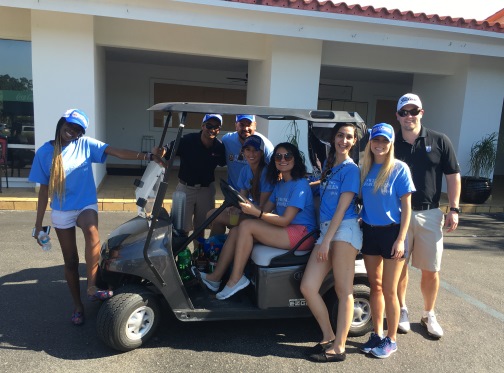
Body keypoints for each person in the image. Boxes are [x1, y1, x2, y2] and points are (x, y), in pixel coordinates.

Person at [29, 109, 163, 326]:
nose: (72, 132)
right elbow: (44, 191)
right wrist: (38, 226)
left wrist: (148, 157)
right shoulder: (44, 152)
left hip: (85, 204)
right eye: (70, 126)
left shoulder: (85, 144)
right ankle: (77, 306)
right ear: (62, 122)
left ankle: (92, 286)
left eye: (78, 130)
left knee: (92, 231)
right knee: (70, 261)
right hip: (62, 209)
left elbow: (116, 152)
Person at [193, 142, 316, 300]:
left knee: (247, 225)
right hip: (287, 231)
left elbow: (285, 220)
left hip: (302, 234)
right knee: (237, 230)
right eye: (278, 156)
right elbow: (266, 210)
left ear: (295, 160)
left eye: (287, 156)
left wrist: (256, 212)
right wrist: (239, 204)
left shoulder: (300, 185)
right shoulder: (280, 185)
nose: (282, 159)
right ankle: (215, 278)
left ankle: (236, 279)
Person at [394, 93, 461, 338]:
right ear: (398, 116)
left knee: (431, 269)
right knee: (399, 266)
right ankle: (401, 309)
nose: (408, 116)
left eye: (413, 111)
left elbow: (453, 175)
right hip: (398, 214)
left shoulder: (440, 140)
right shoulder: (391, 141)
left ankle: (428, 313)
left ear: (422, 113)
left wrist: (453, 208)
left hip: (429, 213)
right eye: (404, 112)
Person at [300, 123, 362, 363]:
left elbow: (342, 208)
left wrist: (326, 242)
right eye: (340, 135)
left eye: (348, 137)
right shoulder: (330, 165)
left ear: (354, 141)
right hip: (327, 231)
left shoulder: (351, 169)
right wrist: (301, 184)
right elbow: (323, 186)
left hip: (344, 230)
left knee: (343, 290)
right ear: (333, 138)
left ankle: (339, 348)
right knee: (308, 286)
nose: (343, 140)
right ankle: (327, 335)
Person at [359, 123, 415, 359]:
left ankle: (392, 339)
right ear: (370, 142)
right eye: (376, 140)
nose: (379, 145)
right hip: (370, 232)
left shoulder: (399, 169)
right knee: (376, 286)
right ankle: (378, 334)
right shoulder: (364, 167)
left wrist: (401, 239)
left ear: (391, 144)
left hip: (392, 234)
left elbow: (407, 207)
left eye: (384, 141)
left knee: (390, 291)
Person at [154, 114, 226, 244]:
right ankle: (181, 256)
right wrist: (160, 152)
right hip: (185, 189)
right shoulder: (188, 140)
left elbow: (224, 162)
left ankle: (198, 258)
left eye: (216, 127)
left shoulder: (219, 146)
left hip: (206, 190)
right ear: (202, 126)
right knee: (181, 227)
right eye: (209, 125)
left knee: (201, 227)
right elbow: (167, 149)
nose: (212, 129)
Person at [208, 134, 274, 235]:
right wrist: (235, 206)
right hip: (249, 211)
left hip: (261, 217)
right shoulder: (245, 170)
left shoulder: (266, 173)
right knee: (216, 219)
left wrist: (241, 207)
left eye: (255, 150)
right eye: (248, 149)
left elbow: (263, 208)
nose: (251, 154)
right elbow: (242, 196)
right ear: (243, 152)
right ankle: (214, 249)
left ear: (261, 153)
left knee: (212, 215)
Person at [222, 114, 274, 190]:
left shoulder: (265, 144)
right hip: (233, 194)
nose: (246, 128)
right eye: (242, 125)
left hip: (257, 196)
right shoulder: (227, 140)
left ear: (255, 125)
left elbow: (275, 171)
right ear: (236, 125)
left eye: (249, 125)